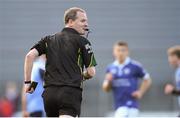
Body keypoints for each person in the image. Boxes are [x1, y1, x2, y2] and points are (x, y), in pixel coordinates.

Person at [24, 7, 97, 117]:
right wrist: (81, 76)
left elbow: (29, 56)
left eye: (86, 21)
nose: (86, 24)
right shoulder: (83, 41)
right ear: (70, 22)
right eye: (82, 21)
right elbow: (91, 72)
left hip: (49, 95)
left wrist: (27, 83)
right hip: (70, 93)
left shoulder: (48, 39)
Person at [102, 41, 151, 118]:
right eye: (118, 50)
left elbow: (147, 79)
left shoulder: (135, 66)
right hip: (118, 105)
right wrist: (109, 81)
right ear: (114, 52)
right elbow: (106, 89)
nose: (120, 53)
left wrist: (140, 92)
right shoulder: (110, 67)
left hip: (132, 106)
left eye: (123, 50)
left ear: (127, 52)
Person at [164, 45, 180, 116]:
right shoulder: (178, 71)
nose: (168, 60)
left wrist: (173, 91)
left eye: (170, 57)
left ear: (175, 57)